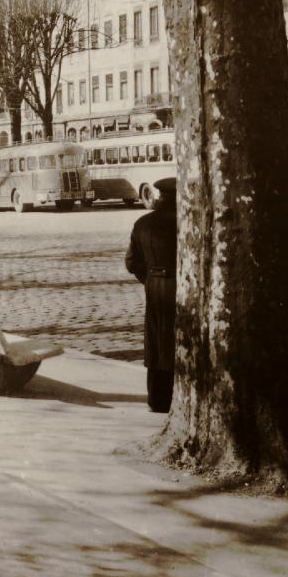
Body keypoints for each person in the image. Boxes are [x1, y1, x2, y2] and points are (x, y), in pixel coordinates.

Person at [124, 177, 178, 413]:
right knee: (176, 341)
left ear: (160, 196)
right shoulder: (185, 223)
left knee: (155, 342)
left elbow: (131, 261)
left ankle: (157, 399)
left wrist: (149, 279)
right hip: (179, 285)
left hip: (154, 286)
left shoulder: (142, 223)